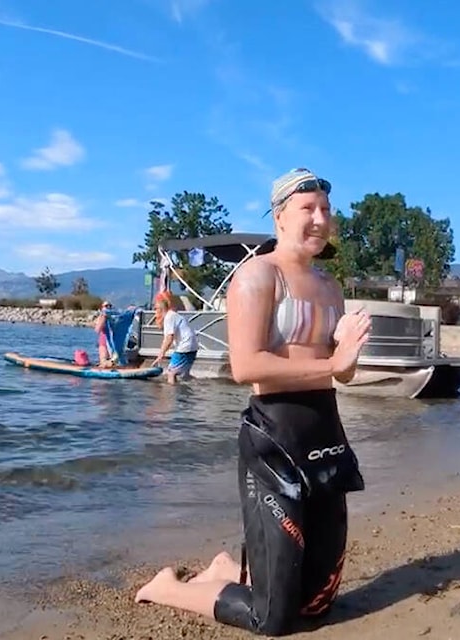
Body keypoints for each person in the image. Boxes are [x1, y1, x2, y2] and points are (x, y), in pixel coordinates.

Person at [134, 168, 372, 635]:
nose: (320, 218)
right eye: (308, 209)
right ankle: (168, 587)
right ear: (280, 216)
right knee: (273, 617)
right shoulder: (257, 276)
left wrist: (346, 356)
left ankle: (228, 570)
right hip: (273, 442)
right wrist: (333, 362)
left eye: (326, 209)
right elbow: (247, 366)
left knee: (319, 604)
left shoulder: (330, 287)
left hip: (326, 439)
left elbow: (341, 372)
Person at [150, 296, 199, 384]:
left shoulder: (169, 317)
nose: (155, 312)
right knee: (184, 375)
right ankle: (199, 385)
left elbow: (169, 338)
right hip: (192, 346)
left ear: (160, 309)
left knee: (171, 372)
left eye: (155, 309)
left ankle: (170, 393)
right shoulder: (173, 315)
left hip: (185, 346)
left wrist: (161, 355)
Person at [94, 300, 114, 368]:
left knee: (112, 362)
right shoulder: (101, 317)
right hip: (103, 342)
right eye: (106, 306)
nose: (108, 307)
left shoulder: (114, 317)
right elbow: (97, 330)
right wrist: (104, 318)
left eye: (110, 306)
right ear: (102, 308)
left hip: (112, 343)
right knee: (103, 362)